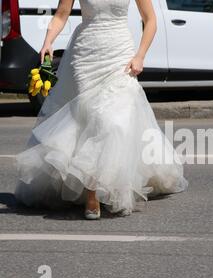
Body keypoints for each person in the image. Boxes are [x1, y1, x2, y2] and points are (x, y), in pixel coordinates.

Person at [14, 0, 188, 220]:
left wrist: (140, 55)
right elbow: (61, 14)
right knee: (90, 118)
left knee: (113, 122)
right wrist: (48, 41)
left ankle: (107, 182)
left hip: (119, 54)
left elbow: (150, 20)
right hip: (85, 55)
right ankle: (92, 192)